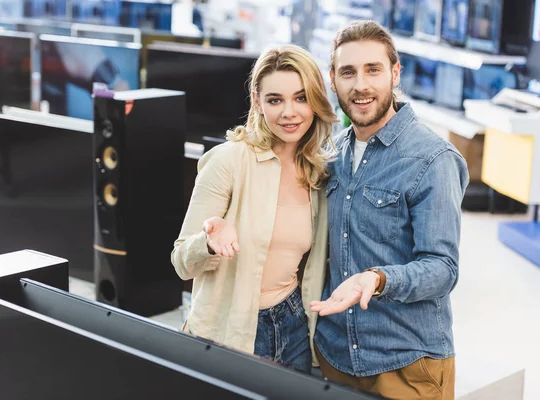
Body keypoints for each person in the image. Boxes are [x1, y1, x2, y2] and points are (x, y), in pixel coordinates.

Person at [309, 20, 469, 399]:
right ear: (333, 80)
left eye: (373, 70)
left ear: (395, 74)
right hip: (335, 357)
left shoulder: (432, 158)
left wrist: (379, 279)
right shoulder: (333, 154)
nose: (360, 85)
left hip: (406, 365)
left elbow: (443, 269)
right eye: (348, 72)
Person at [171, 44, 337, 373]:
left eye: (301, 98)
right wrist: (207, 243)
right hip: (230, 328)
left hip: (293, 325)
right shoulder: (229, 160)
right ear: (257, 101)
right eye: (275, 100)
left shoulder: (316, 170)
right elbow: (181, 262)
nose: (290, 112)